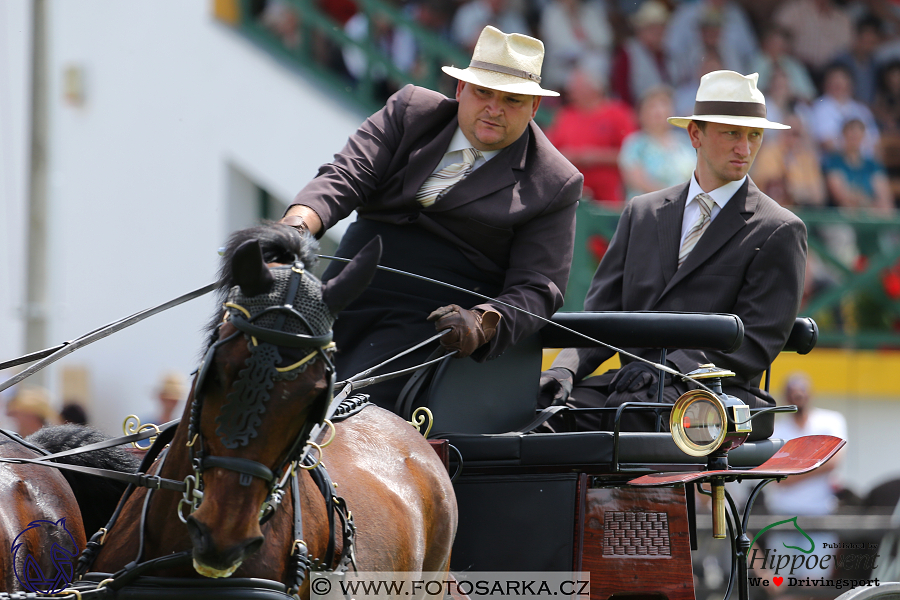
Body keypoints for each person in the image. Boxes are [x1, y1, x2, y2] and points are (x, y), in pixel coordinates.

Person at [281, 26, 583, 411]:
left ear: (534, 109)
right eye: (483, 92)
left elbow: (538, 288)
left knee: (345, 411)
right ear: (460, 90)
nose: (494, 108)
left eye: (513, 100)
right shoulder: (410, 110)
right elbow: (345, 175)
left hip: (433, 329)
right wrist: (295, 227)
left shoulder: (555, 180)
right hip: (342, 292)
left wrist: (481, 323)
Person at [538, 70, 808, 433]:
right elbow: (602, 314)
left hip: (712, 397)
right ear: (695, 134)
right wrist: (565, 368)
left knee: (614, 419)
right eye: (732, 133)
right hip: (631, 391)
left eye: (754, 135)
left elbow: (757, 341)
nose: (744, 148)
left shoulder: (779, 228)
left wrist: (667, 368)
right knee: (535, 414)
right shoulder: (642, 213)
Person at [546, 65, 637, 205]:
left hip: (609, 198)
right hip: (570, 193)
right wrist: (567, 156)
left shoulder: (619, 113)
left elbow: (632, 154)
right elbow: (549, 151)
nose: (570, 90)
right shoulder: (565, 115)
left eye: (577, 86)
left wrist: (594, 156)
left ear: (594, 88)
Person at [618, 85, 695, 201]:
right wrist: (673, 198)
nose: (658, 111)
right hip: (650, 209)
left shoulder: (685, 142)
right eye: (652, 106)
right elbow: (636, 180)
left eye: (664, 104)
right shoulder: (635, 144)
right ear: (640, 113)